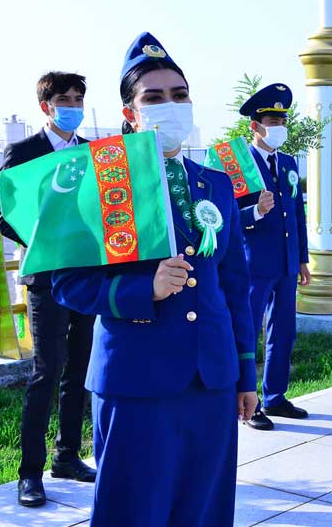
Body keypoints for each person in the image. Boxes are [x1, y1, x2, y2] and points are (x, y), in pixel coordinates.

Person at [51, 32, 257, 527]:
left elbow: (234, 286)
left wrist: (245, 374)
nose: (171, 106)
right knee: (133, 509)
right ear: (131, 113)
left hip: (211, 377)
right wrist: (145, 288)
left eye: (180, 95)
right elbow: (68, 283)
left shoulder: (217, 184)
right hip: (137, 377)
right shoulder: (102, 180)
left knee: (204, 508)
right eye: (155, 97)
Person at [0, 71, 98, 507]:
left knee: (80, 371)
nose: (72, 106)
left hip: (86, 278)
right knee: (46, 372)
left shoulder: (93, 154)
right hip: (46, 279)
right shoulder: (24, 152)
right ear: (46, 106)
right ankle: (29, 473)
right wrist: (49, 241)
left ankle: (67, 456)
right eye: (64, 99)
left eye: (78, 98)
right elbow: (6, 217)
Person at [236, 83, 312, 430]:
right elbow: (222, 218)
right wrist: (255, 212)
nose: (279, 126)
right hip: (254, 263)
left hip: (285, 261)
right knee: (248, 331)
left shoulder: (288, 162)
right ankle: (247, 404)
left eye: (283, 119)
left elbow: (297, 212)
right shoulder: (239, 164)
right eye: (272, 120)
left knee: (284, 330)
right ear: (255, 125)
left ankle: (275, 396)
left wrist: (302, 259)